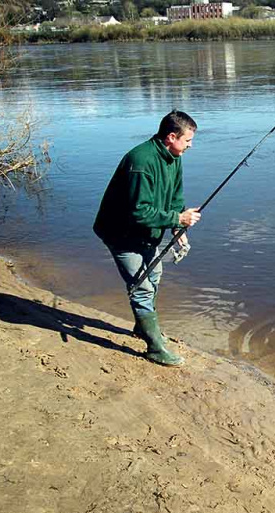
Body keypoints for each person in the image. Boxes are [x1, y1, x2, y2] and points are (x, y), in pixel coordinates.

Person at [93, 110, 201, 367]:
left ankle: (142, 327)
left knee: (154, 276)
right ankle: (154, 348)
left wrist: (177, 228)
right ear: (171, 136)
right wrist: (178, 219)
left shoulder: (174, 156)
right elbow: (139, 212)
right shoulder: (140, 162)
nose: (190, 145)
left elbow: (175, 196)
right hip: (120, 233)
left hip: (146, 233)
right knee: (141, 287)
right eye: (187, 140)